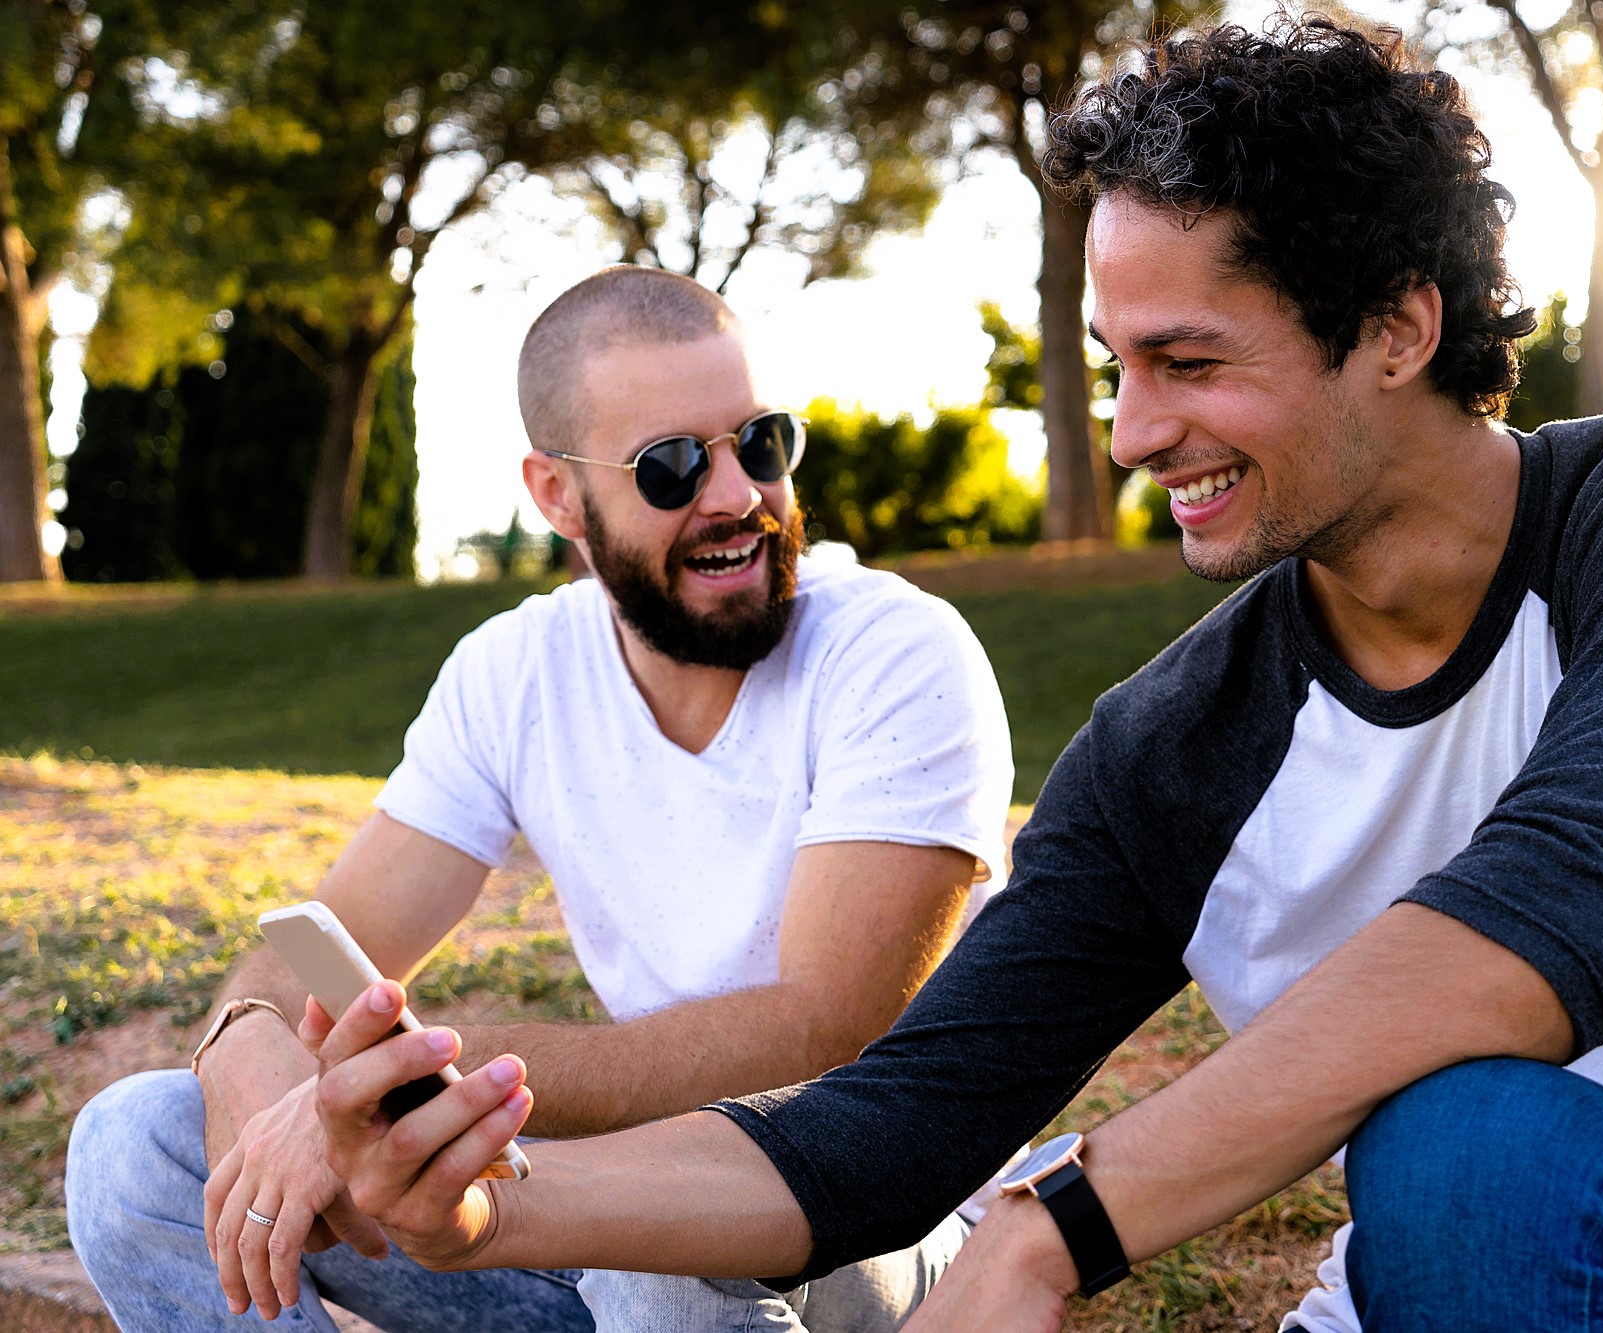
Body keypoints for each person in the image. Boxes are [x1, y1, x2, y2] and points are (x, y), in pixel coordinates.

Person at [302, 20, 1603, 1333]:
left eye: (1190, 361)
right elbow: (881, 1134)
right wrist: (484, 1210)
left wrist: (1066, 1220)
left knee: (1468, 1133)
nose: (1132, 433)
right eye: (1120, 367)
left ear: (1397, 327)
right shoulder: (1176, 745)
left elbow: (1547, 926)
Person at [64, 265, 1014, 1332]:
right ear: (557, 495)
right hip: (594, 1229)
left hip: (875, 1220)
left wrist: (423, 1079)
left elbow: (824, 1034)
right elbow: (328, 941)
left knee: (659, 1247)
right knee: (133, 1143)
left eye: (758, 443)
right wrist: (245, 1038)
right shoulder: (516, 670)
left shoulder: (898, 654)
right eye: (667, 468)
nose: (737, 496)